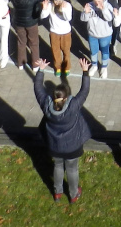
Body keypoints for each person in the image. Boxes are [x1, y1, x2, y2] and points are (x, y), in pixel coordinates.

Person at [33, 56, 92, 203]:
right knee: (72, 169)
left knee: (58, 166)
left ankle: (57, 192)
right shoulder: (73, 107)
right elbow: (84, 91)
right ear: (66, 98)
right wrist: (85, 71)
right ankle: (73, 194)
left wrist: (41, 70)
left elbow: (37, 89)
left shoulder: (46, 106)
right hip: (72, 146)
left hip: (55, 145)